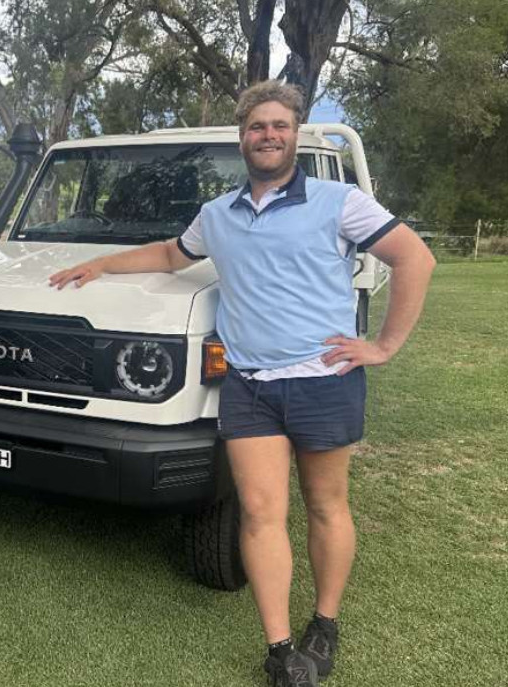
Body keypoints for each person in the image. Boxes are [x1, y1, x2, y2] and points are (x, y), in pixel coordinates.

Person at [49, 81, 435, 687]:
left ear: (296, 134)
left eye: (280, 125)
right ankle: (280, 647)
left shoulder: (340, 202)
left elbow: (415, 258)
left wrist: (384, 345)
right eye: (258, 126)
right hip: (250, 385)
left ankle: (325, 624)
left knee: (326, 505)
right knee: (258, 513)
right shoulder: (218, 214)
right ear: (242, 137)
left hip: (323, 381)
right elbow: (171, 256)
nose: (269, 135)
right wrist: (99, 263)